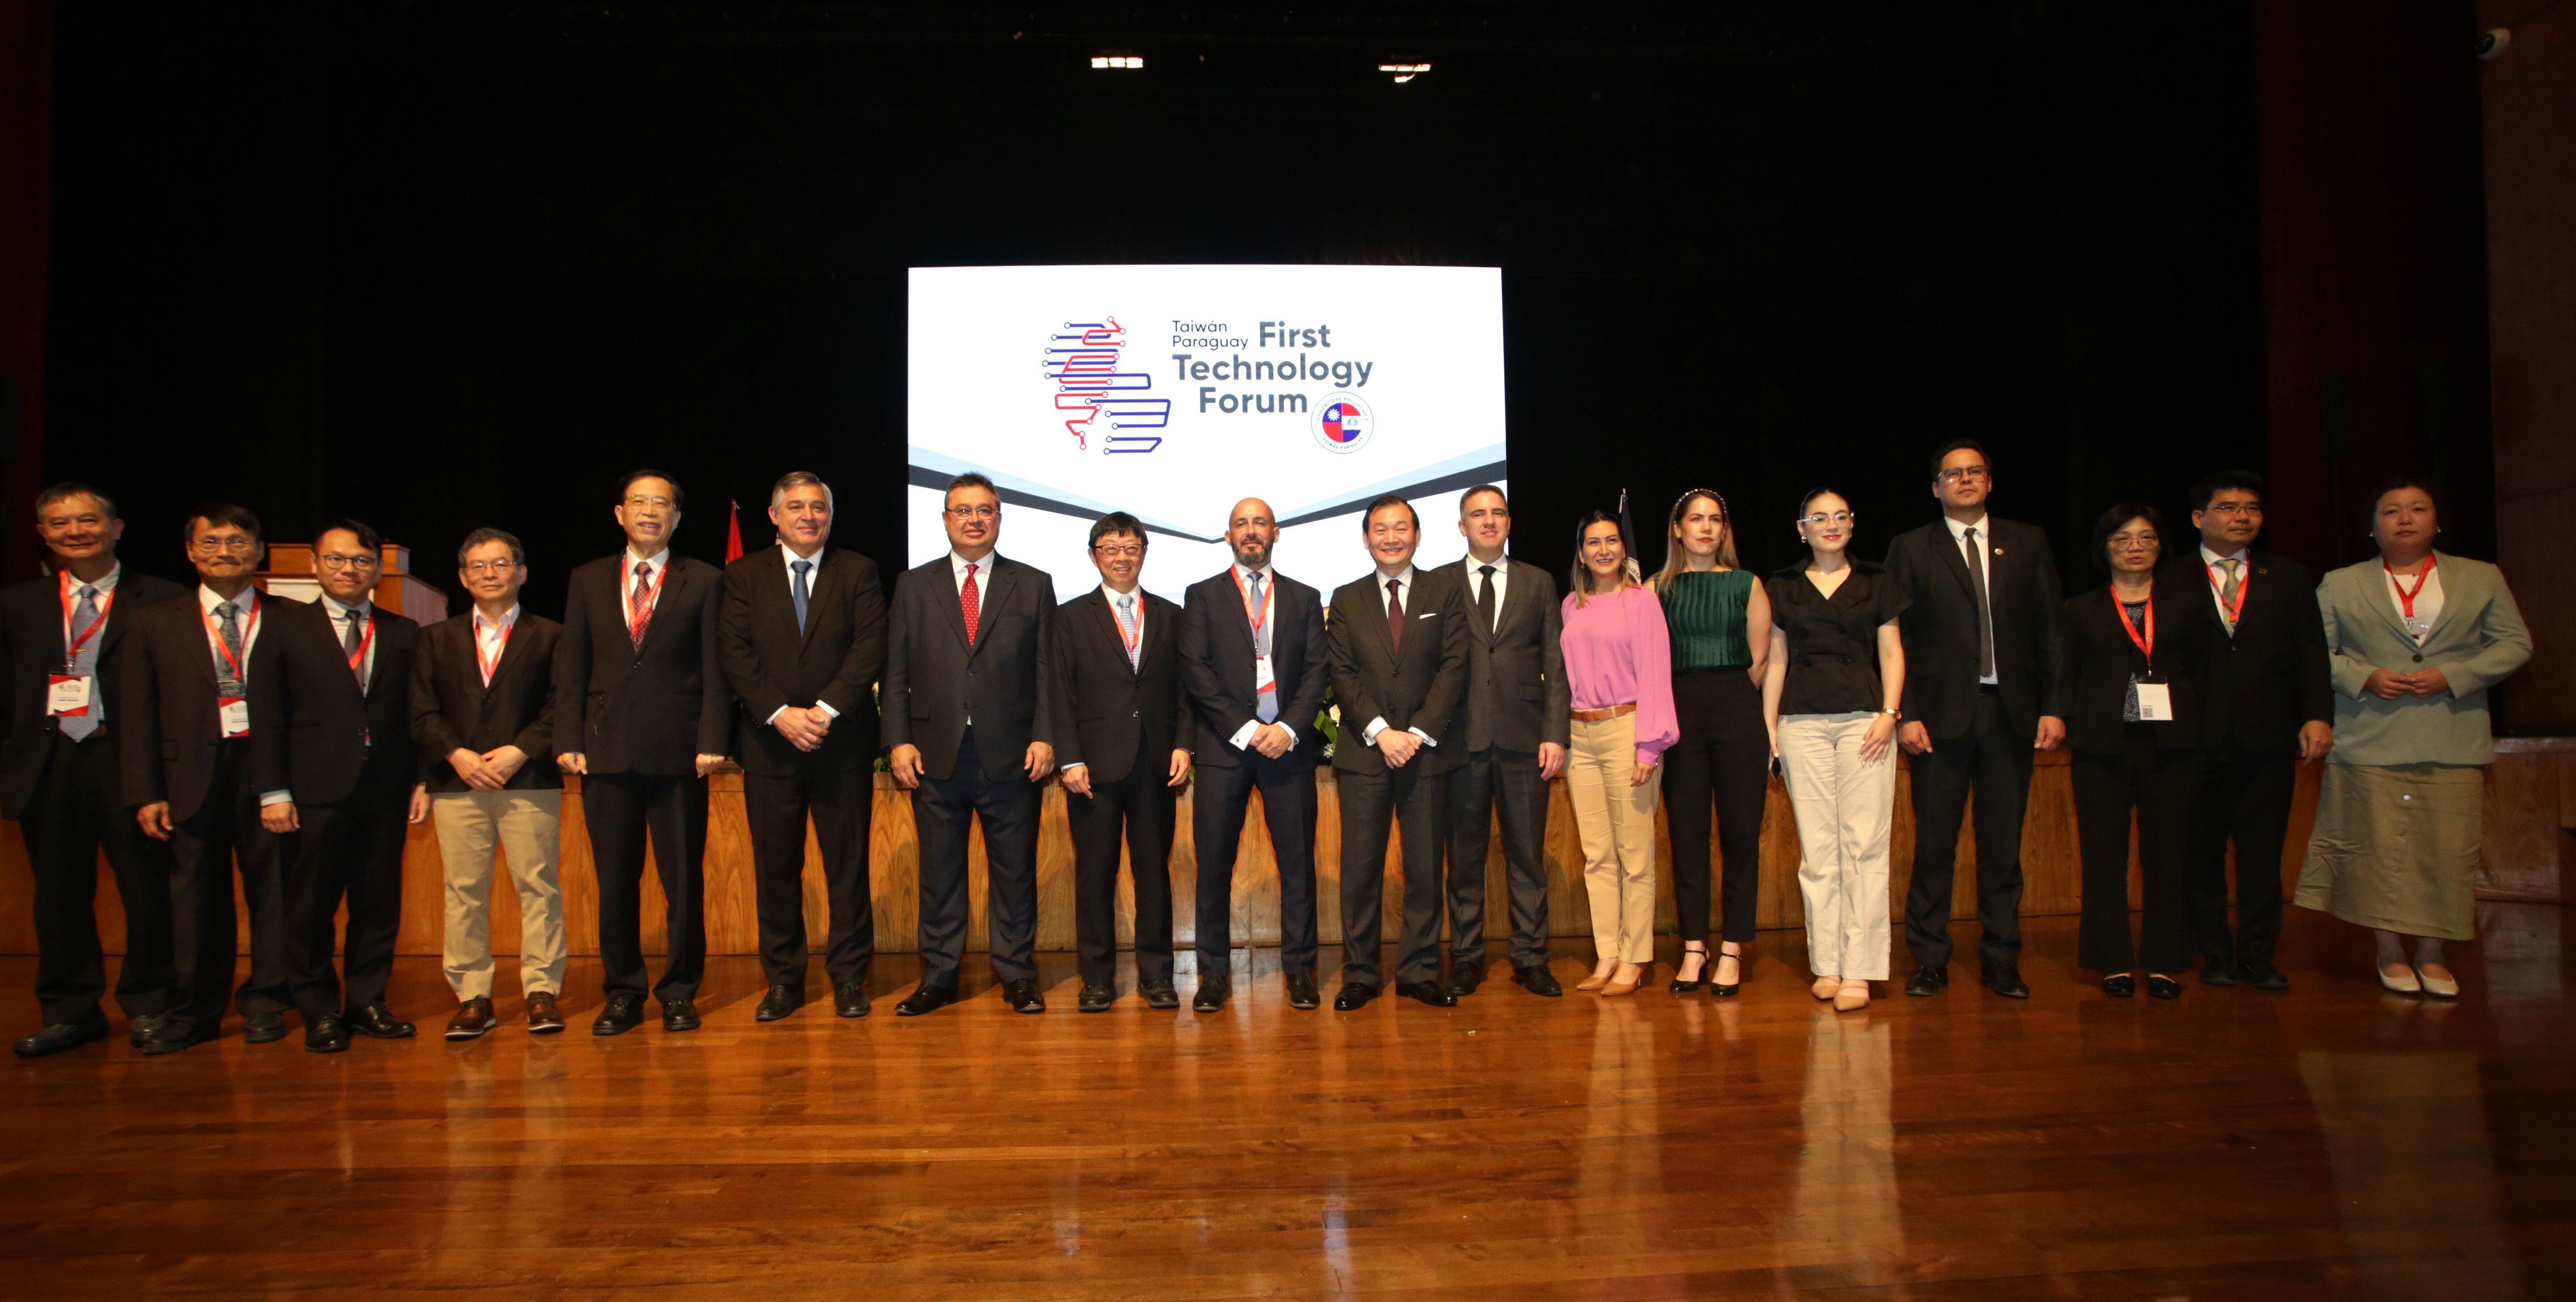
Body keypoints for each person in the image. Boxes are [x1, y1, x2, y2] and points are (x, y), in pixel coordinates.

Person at [2297, 477, 2530, 998]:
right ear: (2372, 527)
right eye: (2392, 511)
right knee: (2376, 847)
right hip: (2370, 734)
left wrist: (2455, 675)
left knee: (2446, 850)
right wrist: (2364, 676)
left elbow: (2514, 644)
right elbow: (2314, 652)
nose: (2405, 518)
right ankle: (2389, 949)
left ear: (2438, 520)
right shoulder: (2340, 582)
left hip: (2451, 735)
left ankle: (2433, 951)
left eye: (2418, 508)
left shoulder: (2480, 577)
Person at [3, 484, 186, 1058]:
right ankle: (69, 1009)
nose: (75, 531)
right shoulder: (15, 605)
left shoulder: (164, 599)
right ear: (43, 533)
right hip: (49, 762)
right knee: (58, 892)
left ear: (117, 527)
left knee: (147, 886)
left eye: (88, 520)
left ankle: (152, 1001)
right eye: (60, 523)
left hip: (128, 762)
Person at [1885, 440, 2068, 1000]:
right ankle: (1930, 959)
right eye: (1953, 474)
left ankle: (2001, 958)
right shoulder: (1911, 548)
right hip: (1938, 721)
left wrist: (2055, 705)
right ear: (1935, 487)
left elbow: (2051, 632)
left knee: (2003, 845)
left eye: (1975, 472)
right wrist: (1906, 715)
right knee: (1935, 846)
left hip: (2011, 715)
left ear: (1990, 481)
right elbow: (1898, 639)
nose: (1965, 480)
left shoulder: (2028, 541)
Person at [555, 470, 733, 1036]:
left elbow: (715, 668)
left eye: (662, 503)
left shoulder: (704, 580)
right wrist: (568, 738)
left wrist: (712, 740)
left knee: (683, 881)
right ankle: (624, 991)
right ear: (619, 512)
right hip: (606, 752)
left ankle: (680, 990)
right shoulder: (587, 580)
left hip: (681, 752)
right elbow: (573, 668)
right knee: (615, 880)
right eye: (639, 501)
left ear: (677, 518)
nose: (650, 511)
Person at [120, 504, 296, 1055]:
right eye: (212, 542)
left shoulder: (293, 617)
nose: (226, 551)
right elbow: (137, 711)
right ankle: (194, 1009)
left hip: (272, 772)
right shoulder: (154, 620)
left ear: (259, 550)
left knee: (276, 890)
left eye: (239, 541)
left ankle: (268, 1000)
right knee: (194, 894)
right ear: (192, 552)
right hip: (187, 774)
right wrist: (146, 789)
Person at [884, 472, 1057, 1015]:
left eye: (985, 510)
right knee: (940, 874)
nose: (975, 519)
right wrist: (898, 740)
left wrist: (1046, 734)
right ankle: (939, 976)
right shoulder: (913, 585)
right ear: (945, 519)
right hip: (935, 753)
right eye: (963, 510)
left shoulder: (1032, 583)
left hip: (1012, 753)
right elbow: (895, 672)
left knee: (1014, 872)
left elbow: (1047, 671)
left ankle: (1017, 974)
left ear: (1000, 519)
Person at [251, 518, 427, 1053]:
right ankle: (319, 1008)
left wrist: (422, 778)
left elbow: (416, 714)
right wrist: (274, 791)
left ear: (378, 568)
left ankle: (368, 1001)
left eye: (361, 560)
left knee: (377, 904)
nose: (349, 569)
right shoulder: (284, 628)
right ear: (314, 565)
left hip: (385, 790)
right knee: (310, 907)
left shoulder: (402, 632)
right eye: (336, 559)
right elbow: (267, 715)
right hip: (312, 791)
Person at [717, 472, 887, 1023]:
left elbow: (869, 648)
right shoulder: (742, 576)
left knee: (847, 868)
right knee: (776, 869)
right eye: (797, 507)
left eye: (819, 507)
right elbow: (735, 652)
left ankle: (848, 978)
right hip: (770, 745)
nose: (809, 516)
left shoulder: (858, 570)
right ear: (774, 515)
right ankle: (784, 981)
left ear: (830, 514)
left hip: (842, 743)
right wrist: (780, 714)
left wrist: (824, 711)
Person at [2162, 472, 2331, 991]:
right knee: (2201, 851)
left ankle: (2259, 954)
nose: (2243, 516)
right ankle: (2213, 950)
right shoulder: (2169, 577)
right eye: (2229, 507)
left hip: (2268, 736)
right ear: (2199, 518)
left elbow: (2311, 653)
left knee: (2262, 853)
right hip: (2194, 738)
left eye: (2253, 508)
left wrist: (2318, 714)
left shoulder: (2289, 576)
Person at [410, 528, 567, 1039]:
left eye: (501, 564)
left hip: (529, 779)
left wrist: (520, 749)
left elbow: (562, 704)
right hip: (459, 783)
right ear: (462, 577)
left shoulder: (552, 635)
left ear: (521, 572)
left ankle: (541, 991)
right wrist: (457, 755)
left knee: (538, 887)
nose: (490, 573)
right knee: (465, 891)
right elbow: (421, 710)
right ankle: (473, 995)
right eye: (478, 566)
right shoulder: (435, 637)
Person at [1178, 497, 1329, 1013]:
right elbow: (1195, 670)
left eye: (1259, 522)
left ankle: (1300, 972)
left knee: (1298, 867)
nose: (1251, 531)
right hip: (1225, 749)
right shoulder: (1201, 596)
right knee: (1214, 866)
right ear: (1228, 536)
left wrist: (1287, 727)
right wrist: (1246, 728)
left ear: (1276, 533)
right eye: (1241, 523)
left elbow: (1316, 670)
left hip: (1288, 749)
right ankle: (1214, 974)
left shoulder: (1306, 598)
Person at [1761, 488, 1907, 1013]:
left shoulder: (1876, 579)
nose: (1830, 524)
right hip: (1801, 720)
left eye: (1840, 516)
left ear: (1852, 524)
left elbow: (1891, 649)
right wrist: (1771, 728)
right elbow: (1776, 660)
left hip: (1864, 720)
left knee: (1865, 845)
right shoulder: (1783, 584)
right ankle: (1827, 963)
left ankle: (1862, 970)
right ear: (1801, 527)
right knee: (1818, 850)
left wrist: (1890, 714)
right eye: (1818, 518)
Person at [1325, 495, 1470, 1011]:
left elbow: (1456, 664)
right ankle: (1361, 975)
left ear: (1418, 535)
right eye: (1380, 530)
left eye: (1401, 528)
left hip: (1429, 753)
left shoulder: (1446, 589)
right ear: (1366, 538)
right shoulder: (1344, 597)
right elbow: (1341, 673)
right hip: (1366, 753)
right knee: (1361, 871)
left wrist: (1418, 731)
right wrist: (1383, 731)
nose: (1391, 537)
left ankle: (1418, 971)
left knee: (1426, 868)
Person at [2063, 505, 2209, 1000]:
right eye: (2123, 538)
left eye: (2146, 537)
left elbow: (2204, 670)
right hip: (2101, 745)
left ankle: (2166, 960)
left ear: (2161, 546)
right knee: (2104, 856)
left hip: (2172, 743)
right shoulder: (2080, 608)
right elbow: (2067, 674)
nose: (2135, 546)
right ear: (2105, 548)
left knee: (2168, 854)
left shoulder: (2187, 603)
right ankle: (2113, 961)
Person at [1051, 512, 1195, 1012]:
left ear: (1144, 553)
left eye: (1131, 547)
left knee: (1153, 873)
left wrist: (1183, 744)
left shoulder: (1171, 614)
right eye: (1110, 548)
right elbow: (1059, 692)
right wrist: (1068, 758)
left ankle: (1157, 976)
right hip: (1092, 767)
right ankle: (1097, 979)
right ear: (1093, 555)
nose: (1121, 556)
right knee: (1095, 874)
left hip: (1156, 762)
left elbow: (1185, 689)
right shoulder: (1070, 617)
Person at [1428, 485, 1568, 998]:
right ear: (1461, 525)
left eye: (1498, 513)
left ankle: (1531, 958)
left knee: (1527, 855)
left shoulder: (1539, 582)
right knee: (1463, 857)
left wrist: (1556, 732)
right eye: (1477, 514)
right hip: (1459, 742)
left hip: (1525, 739)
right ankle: (1466, 958)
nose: (1489, 521)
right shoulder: (1439, 583)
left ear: (1509, 523)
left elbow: (1555, 662)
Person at [1653, 488, 1773, 996]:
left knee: (1742, 836)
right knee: (1687, 836)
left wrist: (1728, 705)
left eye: (1715, 519)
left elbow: (1760, 662)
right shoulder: (1657, 587)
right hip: (1679, 715)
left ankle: (1733, 948)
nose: (1705, 527)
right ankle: (1695, 946)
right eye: (1695, 519)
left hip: (1737, 712)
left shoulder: (1748, 584)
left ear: (1724, 530)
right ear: (1677, 528)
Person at [1558, 510, 1678, 997]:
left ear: (1622, 549)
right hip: (1579, 737)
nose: (1604, 549)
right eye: (1594, 542)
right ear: (1581, 553)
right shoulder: (1571, 604)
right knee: (1597, 855)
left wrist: (1648, 746)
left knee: (1635, 856)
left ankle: (1636, 957)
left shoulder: (1641, 601)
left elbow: (1656, 672)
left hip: (1629, 730)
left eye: (1612, 541)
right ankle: (1608, 952)